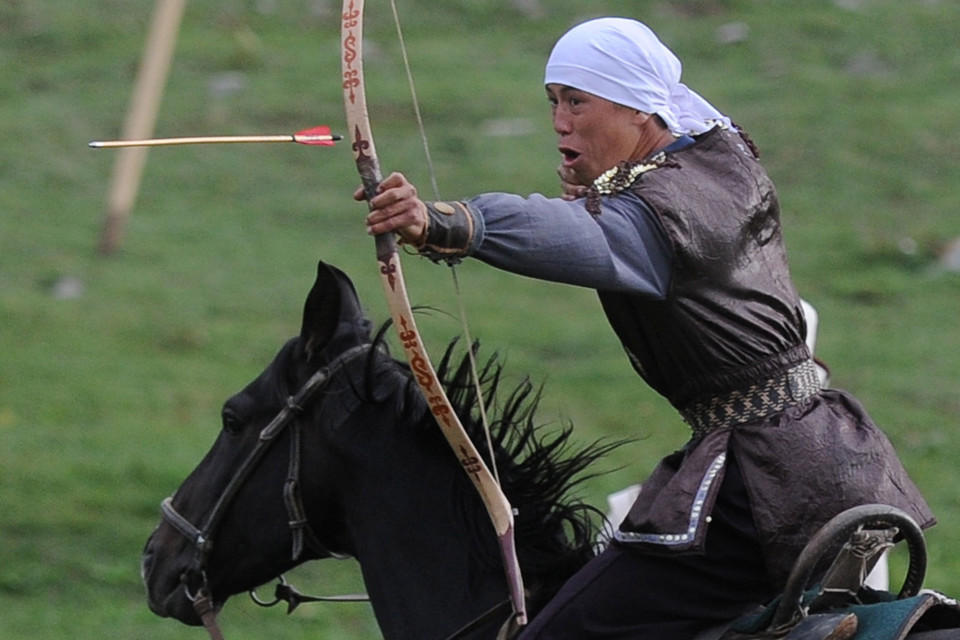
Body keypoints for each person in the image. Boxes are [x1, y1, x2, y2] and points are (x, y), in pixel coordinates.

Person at [356, 17, 934, 638]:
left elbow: (589, 236)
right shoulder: (719, 161)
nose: (559, 122)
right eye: (554, 102)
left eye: (577, 101)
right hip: (827, 462)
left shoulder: (670, 213)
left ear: (637, 109)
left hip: (764, 487)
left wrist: (445, 221)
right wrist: (599, 191)